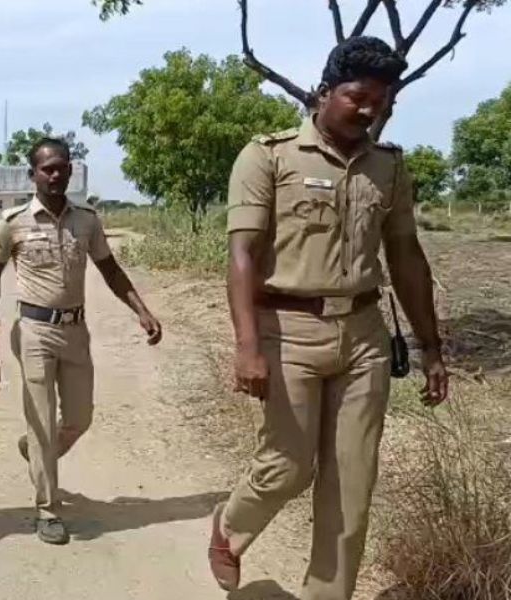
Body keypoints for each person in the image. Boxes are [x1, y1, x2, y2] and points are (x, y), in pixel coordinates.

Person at [209, 36, 449, 599]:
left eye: (383, 102)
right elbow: (242, 255)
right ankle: (229, 526)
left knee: (351, 486)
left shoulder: (388, 167)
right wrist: (247, 346)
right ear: (324, 93)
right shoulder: (268, 156)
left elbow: (407, 256)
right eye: (358, 97)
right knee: (289, 467)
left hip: (364, 336)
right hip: (287, 332)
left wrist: (430, 345)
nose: (371, 111)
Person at [0, 138, 162, 545]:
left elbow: (110, 268)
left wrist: (141, 309)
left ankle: (36, 453)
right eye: (47, 168)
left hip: (75, 331)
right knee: (43, 420)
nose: (56, 174)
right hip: (33, 331)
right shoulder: (12, 222)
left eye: (62, 167)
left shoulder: (87, 221)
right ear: (33, 174)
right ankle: (48, 508)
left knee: (79, 418)